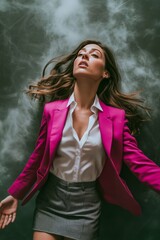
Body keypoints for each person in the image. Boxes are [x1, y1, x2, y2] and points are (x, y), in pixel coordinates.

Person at [0, 39, 160, 240]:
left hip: (87, 205)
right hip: (51, 200)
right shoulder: (52, 111)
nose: (84, 56)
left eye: (94, 54)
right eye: (81, 53)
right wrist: (16, 195)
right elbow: (38, 157)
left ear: (105, 73)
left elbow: (140, 163)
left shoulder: (116, 118)